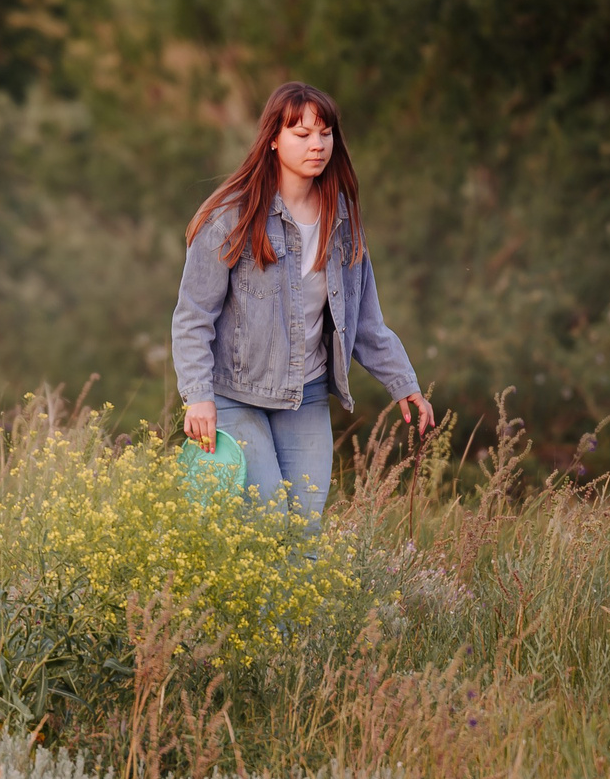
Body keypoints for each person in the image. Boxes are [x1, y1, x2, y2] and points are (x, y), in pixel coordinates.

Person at [171, 82, 434, 525]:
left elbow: (364, 321)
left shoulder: (342, 218)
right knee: (269, 516)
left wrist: (403, 382)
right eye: (302, 134)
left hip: (305, 392)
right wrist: (197, 396)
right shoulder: (231, 217)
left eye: (325, 133)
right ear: (273, 139)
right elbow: (193, 317)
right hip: (234, 393)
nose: (317, 144)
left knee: (304, 529)